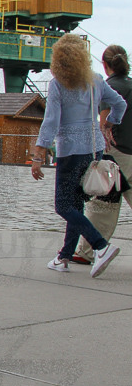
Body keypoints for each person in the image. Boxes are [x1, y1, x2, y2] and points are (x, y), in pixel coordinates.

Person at [31, 33, 127, 278]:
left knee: (63, 205)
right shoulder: (95, 80)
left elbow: (51, 121)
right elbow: (120, 104)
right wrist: (109, 124)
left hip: (70, 150)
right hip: (93, 148)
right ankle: (64, 256)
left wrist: (39, 153)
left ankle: (100, 246)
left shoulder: (58, 84)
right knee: (75, 204)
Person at [73, 45, 132, 263]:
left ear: (105, 65)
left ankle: (87, 252)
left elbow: (104, 122)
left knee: (102, 204)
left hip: (117, 154)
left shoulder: (110, 87)